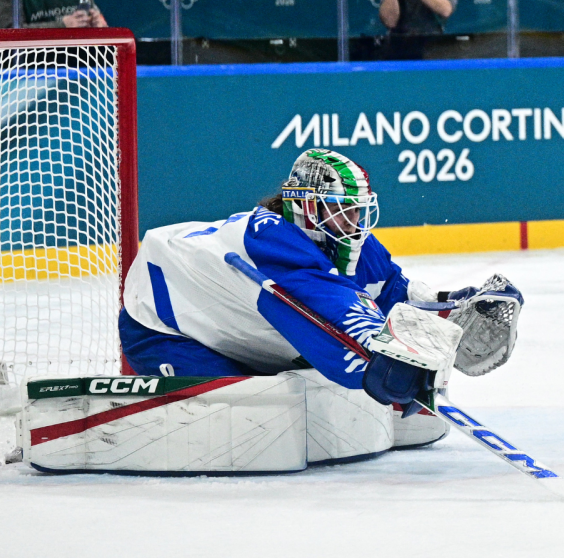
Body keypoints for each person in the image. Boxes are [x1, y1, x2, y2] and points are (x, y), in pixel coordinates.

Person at [119, 148, 522, 424]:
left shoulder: (351, 242)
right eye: (341, 212)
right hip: (166, 330)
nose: (354, 225)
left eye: (359, 213)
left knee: (303, 401)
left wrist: (450, 309)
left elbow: (391, 296)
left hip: (238, 329)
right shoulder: (272, 244)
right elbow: (339, 326)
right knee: (250, 420)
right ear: (306, 209)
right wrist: (382, 363)